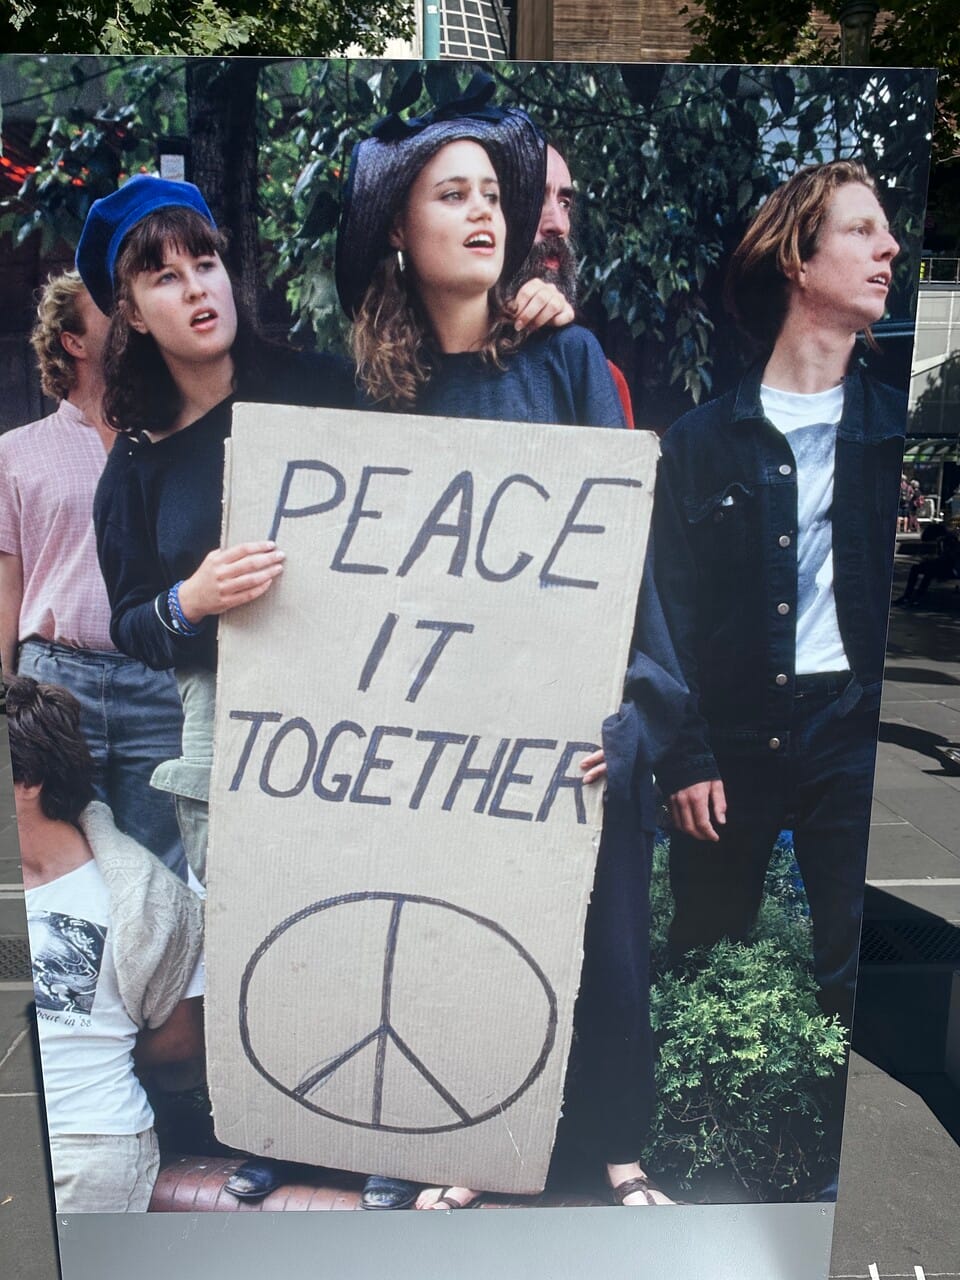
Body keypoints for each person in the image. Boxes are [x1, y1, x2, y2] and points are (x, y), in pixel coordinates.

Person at [337, 75, 686, 1211]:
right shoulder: (370, 392)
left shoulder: (567, 361)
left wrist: (638, 711)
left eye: (493, 193)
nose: (485, 211)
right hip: (443, 738)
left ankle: (620, 1153)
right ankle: (467, 1144)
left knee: (606, 943)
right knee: (456, 939)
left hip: (575, 722)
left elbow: (625, 558)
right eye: (453, 194)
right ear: (400, 231)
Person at [76, 173, 356, 1201]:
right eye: (164, 276)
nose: (197, 287)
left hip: (363, 705)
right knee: (256, 927)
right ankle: (281, 1128)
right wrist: (187, 601)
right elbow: (129, 622)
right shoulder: (137, 464)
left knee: (365, 903)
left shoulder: (321, 386)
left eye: (206, 261)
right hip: (225, 723)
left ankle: (386, 1134)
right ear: (130, 313)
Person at [651, 160, 904, 1035]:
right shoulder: (699, 443)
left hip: (854, 730)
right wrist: (684, 756)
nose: (890, 248)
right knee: (701, 954)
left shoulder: (892, 430)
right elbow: (668, 612)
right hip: (732, 736)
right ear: (798, 258)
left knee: (859, 977)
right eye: (862, 230)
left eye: (888, 232)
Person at [0, 271, 187, 877]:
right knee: (54, 866)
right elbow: (6, 581)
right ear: (73, 341)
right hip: (55, 682)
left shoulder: (171, 438)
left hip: (158, 681)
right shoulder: (15, 452)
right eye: (109, 307)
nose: (131, 313)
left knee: (162, 870)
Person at [9, 675, 204, 1212]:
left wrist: (100, 1048)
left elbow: (183, 1040)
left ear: (27, 781)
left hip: (83, 1146)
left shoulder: (143, 897)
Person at [510, 141, 635, 426]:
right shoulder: (409, 362)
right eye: (532, 199)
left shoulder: (594, 373)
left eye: (564, 203)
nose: (559, 225)